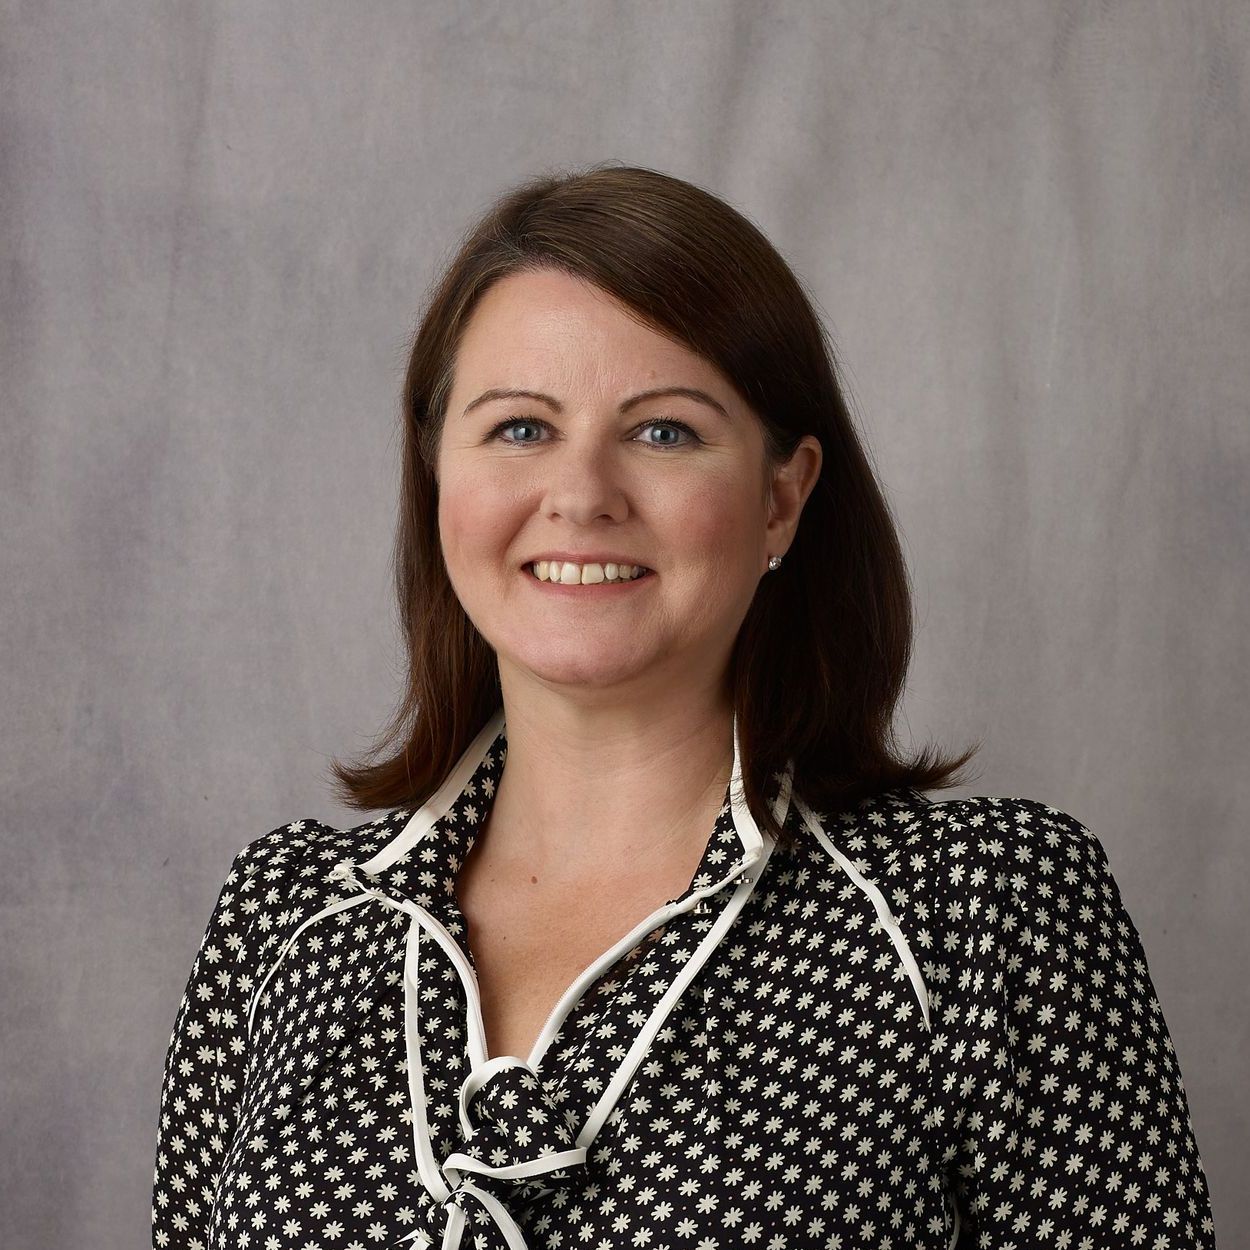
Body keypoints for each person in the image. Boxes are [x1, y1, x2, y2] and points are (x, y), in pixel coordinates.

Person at [150, 164, 1216, 1250]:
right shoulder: (283, 918)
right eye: (519, 427)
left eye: (662, 431)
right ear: (436, 479)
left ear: (780, 496)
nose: (580, 493)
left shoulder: (981, 909)